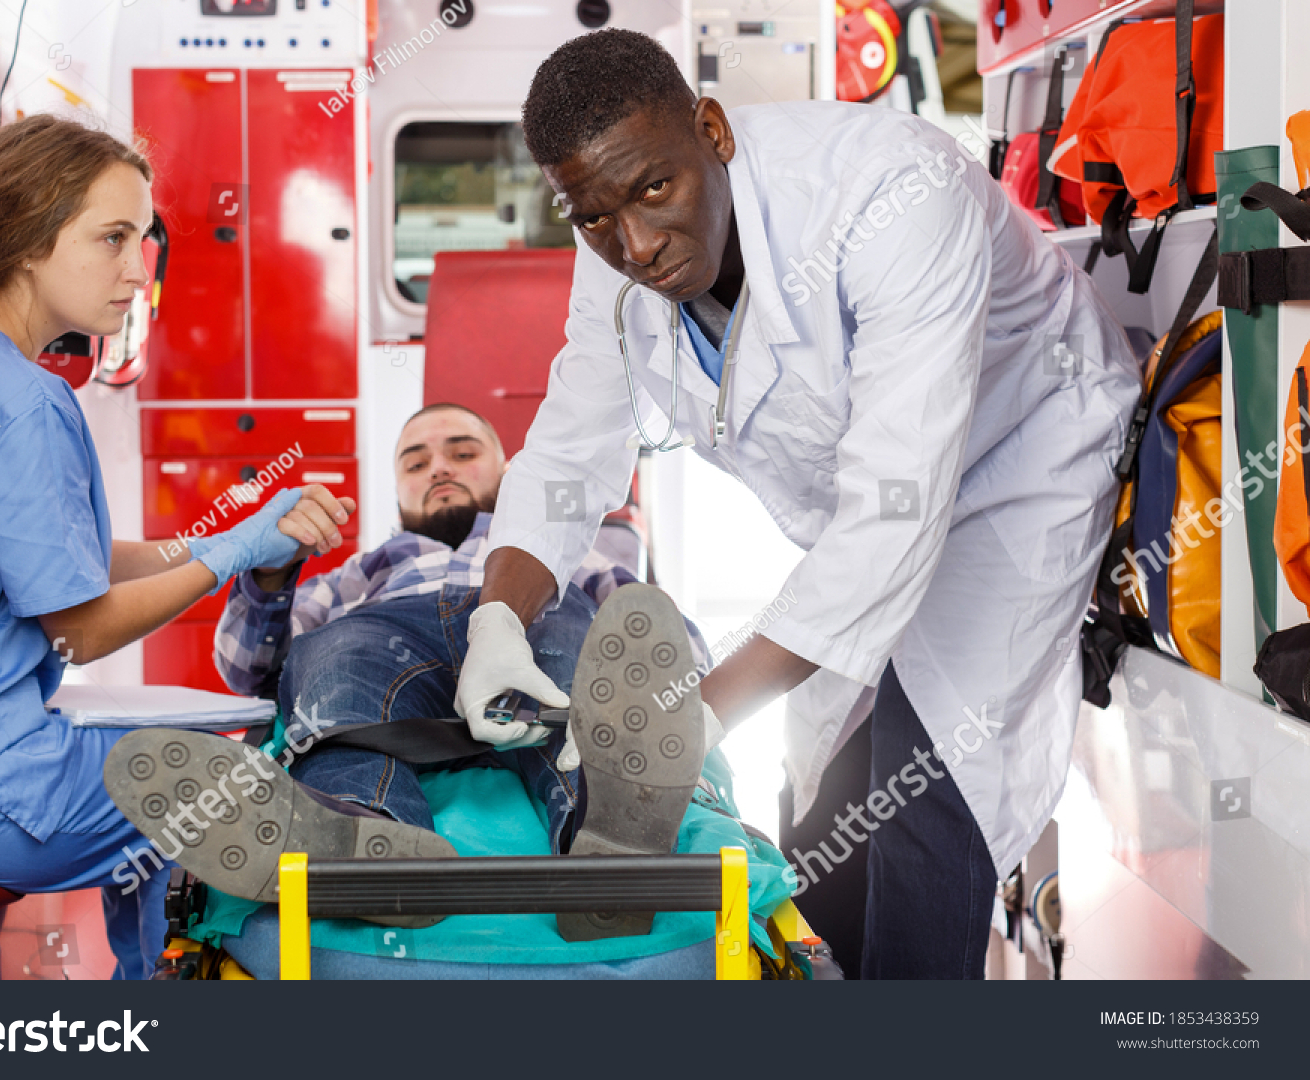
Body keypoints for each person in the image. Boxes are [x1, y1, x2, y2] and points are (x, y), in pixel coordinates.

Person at [455, 29, 1143, 979]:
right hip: (872, 502)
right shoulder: (610, 235)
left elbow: (891, 520)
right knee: (823, 806)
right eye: (594, 215)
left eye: (656, 190)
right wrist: (497, 617)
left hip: (1020, 460)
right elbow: (574, 443)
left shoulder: (893, 193)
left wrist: (700, 713)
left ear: (712, 130)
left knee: (930, 781)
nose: (637, 246)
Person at [0, 114, 367, 979]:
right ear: (27, 233)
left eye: (143, 240)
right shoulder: (26, 402)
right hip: (8, 792)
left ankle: (153, 978)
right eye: (112, 239)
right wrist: (230, 556)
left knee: (173, 769)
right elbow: (79, 631)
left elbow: (65, 559)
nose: (140, 272)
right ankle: (371, 883)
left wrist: (224, 540)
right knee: (234, 784)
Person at [103, 402, 717, 945]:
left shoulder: (570, 553)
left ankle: (603, 836)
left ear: (506, 475)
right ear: (398, 490)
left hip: (531, 628)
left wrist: (637, 699)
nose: (439, 468)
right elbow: (246, 669)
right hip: (390, 637)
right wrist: (268, 574)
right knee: (339, 656)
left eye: (463, 452)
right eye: (416, 461)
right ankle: (366, 840)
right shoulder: (358, 573)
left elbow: (667, 653)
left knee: (571, 643)